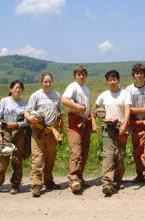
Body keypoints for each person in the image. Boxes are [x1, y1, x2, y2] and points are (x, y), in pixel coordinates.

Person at [24, 72, 63, 197]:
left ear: (52, 82)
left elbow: (60, 112)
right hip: (38, 132)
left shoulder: (57, 95)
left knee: (50, 158)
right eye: (45, 81)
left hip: (51, 131)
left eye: (49, 81)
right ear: (42, 82)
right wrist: (31, 119)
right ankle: (36, 185)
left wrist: (59, 125)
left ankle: (48, 181)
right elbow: (28, 111)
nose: (47, 84)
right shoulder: (36, 95)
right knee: (38, 158)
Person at [93, 70, 131, 196]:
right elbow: (95, 109)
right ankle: (107, 183)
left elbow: (127, 110)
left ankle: (117, 180)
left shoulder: (125, 94)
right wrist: (95, 121)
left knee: (120, 155)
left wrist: (124, 124)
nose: (112, 82)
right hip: (108, 127)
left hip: (121, 127)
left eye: (114, 79)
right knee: (108, 154)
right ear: (107, 82)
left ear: (118, 80)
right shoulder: (104, 95)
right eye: (109, 80)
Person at [0, 80, 28, 195]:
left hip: (19, 134)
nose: (18, 90)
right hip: (6, 132)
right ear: (10, 89)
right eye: (16, 87)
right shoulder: (4, 101)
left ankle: (16, 185)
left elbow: (27, 121)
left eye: (20, 88)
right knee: (3, 159)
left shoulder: (25, 103)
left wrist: (17, 124)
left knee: (17, 160)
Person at [61, 65, 94, 193]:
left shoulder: (86, 89)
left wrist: (93, 122)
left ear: (86, 75)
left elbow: (89, 107)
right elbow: (64, 99)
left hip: (85, 122)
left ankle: (80, 177)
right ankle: (74, 178)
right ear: (75, 76)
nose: (81, 76)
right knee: (76, 151)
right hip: (75, 122)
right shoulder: (73, 86)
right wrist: (77, 107)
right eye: (78, 74)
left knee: (84, 151)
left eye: (83, 74)